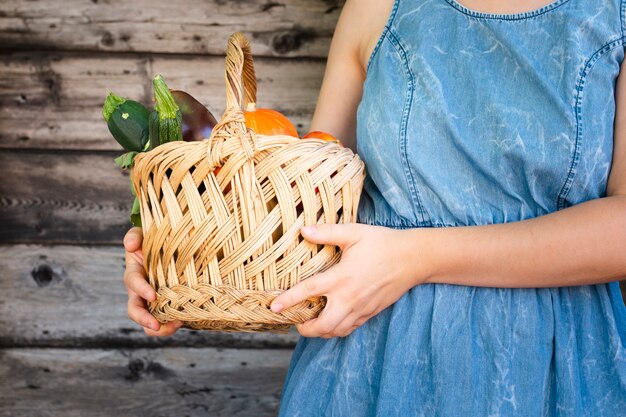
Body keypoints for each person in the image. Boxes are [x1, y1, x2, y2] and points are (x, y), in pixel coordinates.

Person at [123, 0, 626, 414]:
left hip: (555, 359)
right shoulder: (376, 6)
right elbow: (310, 204)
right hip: (371, 363)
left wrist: (418, 256)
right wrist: (186, 255)